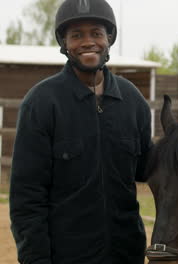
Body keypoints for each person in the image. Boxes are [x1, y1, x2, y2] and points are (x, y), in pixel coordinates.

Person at [9, 0, 152, 263]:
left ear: (109, 39)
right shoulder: (41, 103)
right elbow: (26, 198)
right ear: (64, 43)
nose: (88, 42)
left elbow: (151, 170)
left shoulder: (133, 101)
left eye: (96, 33)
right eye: (77, 35)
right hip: (66, 256)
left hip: (127, 253)